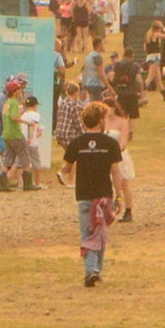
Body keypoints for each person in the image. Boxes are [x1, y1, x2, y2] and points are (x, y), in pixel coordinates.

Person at [61, 102, 124, 287]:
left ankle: (91, 270)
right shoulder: (110, 144)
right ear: (101, 120)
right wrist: (119, 195)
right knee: (101, 234)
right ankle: (95, 269)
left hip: (84, 195)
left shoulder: (77, 143)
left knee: (87, 233)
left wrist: (62, 173)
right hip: (104, 195)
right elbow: (115, 172)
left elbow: (66, 167)